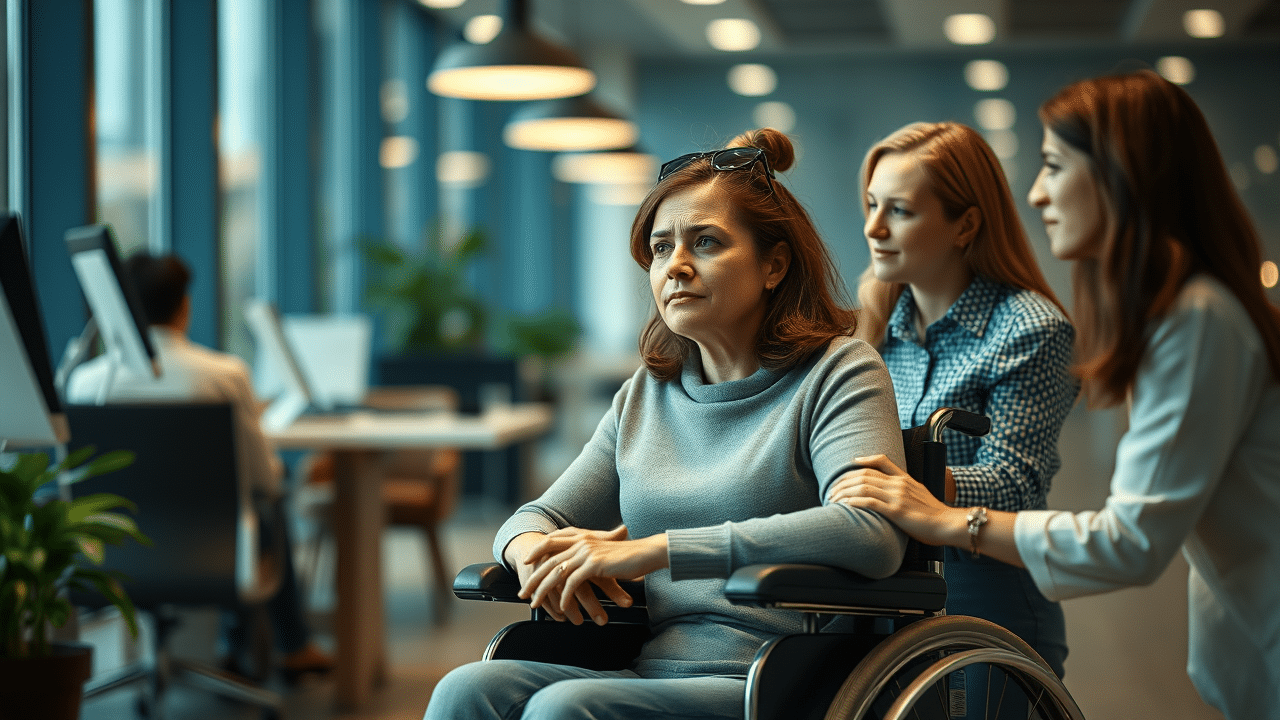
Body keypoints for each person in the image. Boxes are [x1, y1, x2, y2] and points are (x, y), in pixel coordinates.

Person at [828, 69, 1280, 719]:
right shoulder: (1180, 316)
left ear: (1125, 176)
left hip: (994, 601)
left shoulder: (1193, 319)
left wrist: (934, 507)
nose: (1038, 194)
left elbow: (1130, 540)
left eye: (1054, 165)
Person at [423, 128, 908, 720]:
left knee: (565, 709)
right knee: (464, 690)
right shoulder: (648, 395)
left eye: (705, 242)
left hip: (779, 676)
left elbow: (871, 533)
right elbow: (535, 518)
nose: (675, 266)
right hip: (650, 664)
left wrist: (656, 552)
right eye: (659, 248)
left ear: (774, 265)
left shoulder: (838, 370)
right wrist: (530, 553)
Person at [852, 121, 1078, 713]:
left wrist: (900, 481)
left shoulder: (1031, 329)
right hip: (891, 597)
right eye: (872, 205)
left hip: (990, 600)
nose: (873, 228)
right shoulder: (875, 327)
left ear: (965, 225)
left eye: (898, 210)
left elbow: (1015, 482)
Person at [66, 252, 333, 681]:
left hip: (110, 554)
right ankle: (285, 644)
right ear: (184, 305)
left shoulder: (87, 383)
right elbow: (264, 478)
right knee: (267, 502)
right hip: (213, 552)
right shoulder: (223, 375)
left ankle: (248, 644)